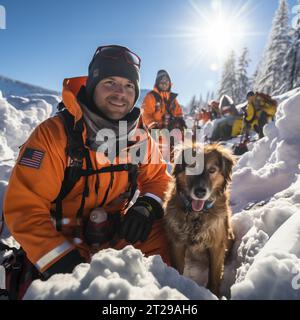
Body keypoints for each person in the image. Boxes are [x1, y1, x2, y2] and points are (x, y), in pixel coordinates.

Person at [3, 45, 171, 291]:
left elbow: (159, 179)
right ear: (92, 87)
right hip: (61, 238)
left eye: (128, 85)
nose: (119, 93)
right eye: (110, 82)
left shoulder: (139, 137)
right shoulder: (54, 135)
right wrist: (61, 261)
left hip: (115, 234)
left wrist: (145, 208)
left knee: (164, 233)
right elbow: (24, 209)